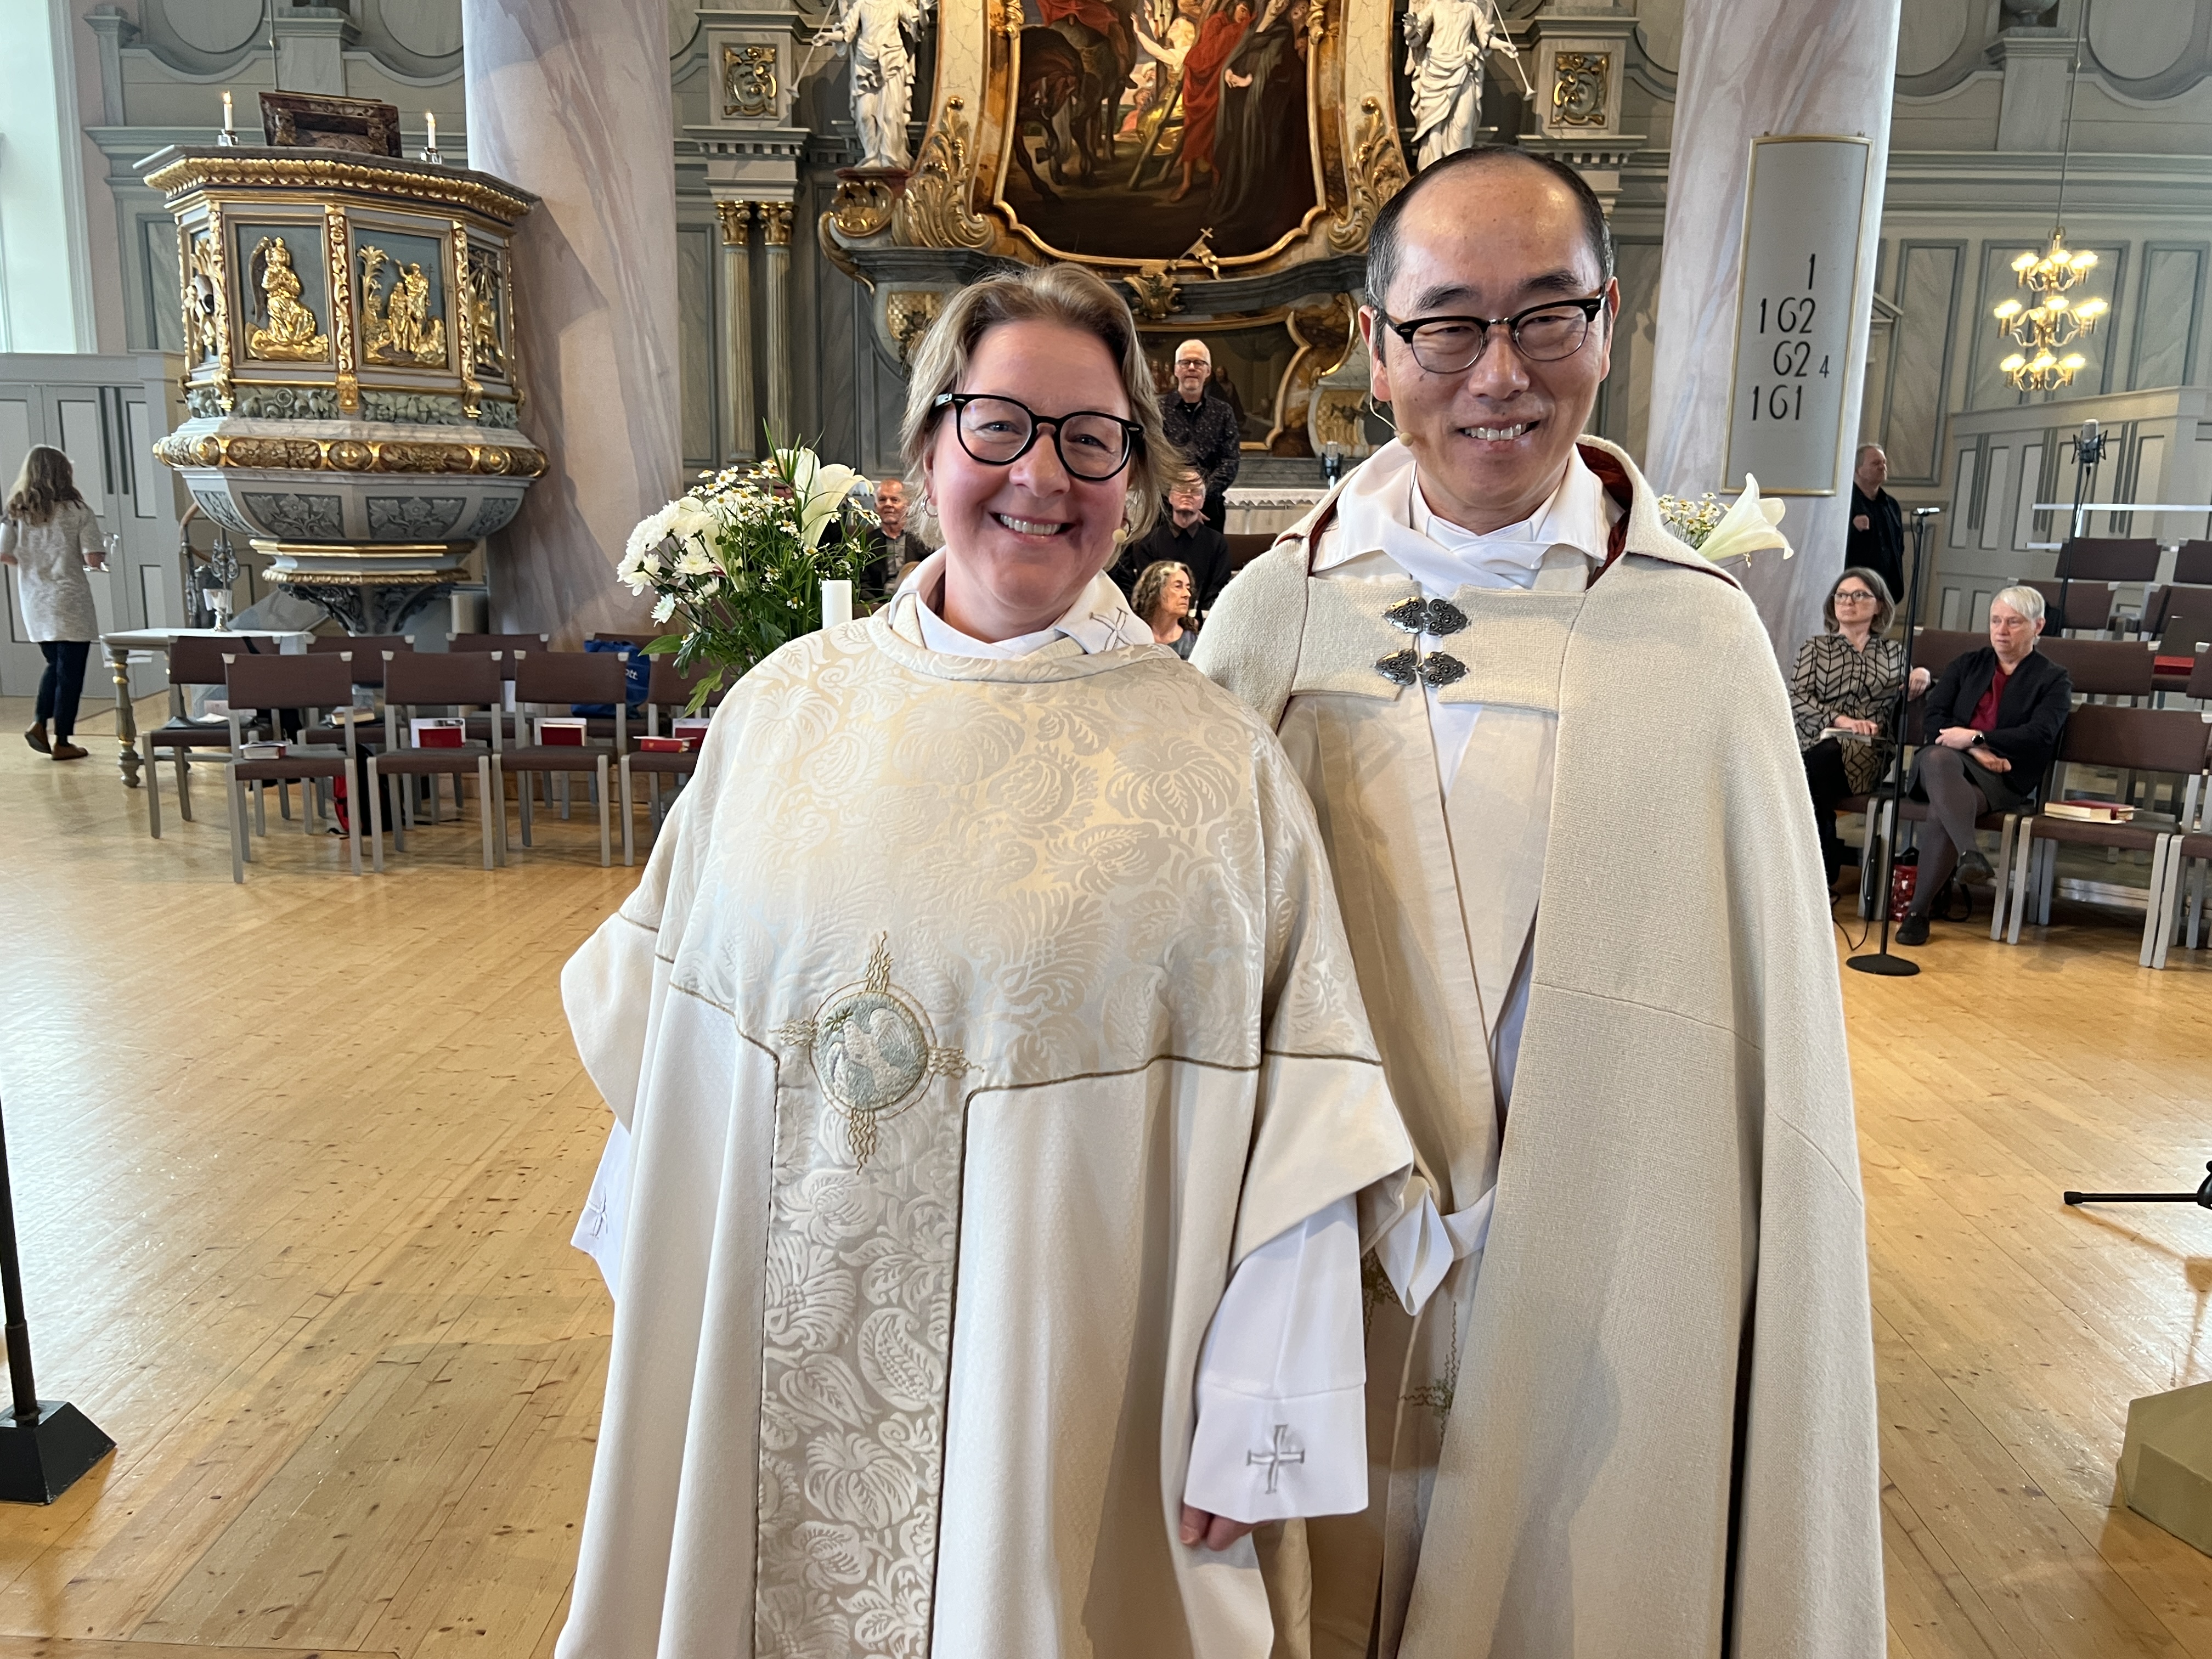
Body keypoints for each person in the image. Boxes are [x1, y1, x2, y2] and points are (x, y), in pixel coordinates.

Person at [555, 263, 1431, 1658]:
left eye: (1091, 440)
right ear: (926, 451)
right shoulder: (784, 714)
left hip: (1064, 1395)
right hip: (769, 1359)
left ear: (1134, 483)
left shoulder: (1215, 773)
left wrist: (1261, 1410)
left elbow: (1306, 1118)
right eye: (1000, 425)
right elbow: (673, 1044)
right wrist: (663, 1295)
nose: (1042, 476)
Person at [1193, 144, 1884, 1656]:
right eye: (1448, 325)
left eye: (1545, 316)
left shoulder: (1696, 642)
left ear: (1608, 324)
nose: (1498, 374)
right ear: (1375, 347)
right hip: (1325, 1263)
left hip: (1608, 1258)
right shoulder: (1271, 625)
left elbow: (1765, 1053)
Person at [1895, 584, 2071, 946]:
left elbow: (2040, 734)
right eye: (1995, 621)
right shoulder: (1967, 664)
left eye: (2013, 622)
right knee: (1940, 758)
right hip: (1944, 763)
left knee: (1943, 812)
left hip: (2002, 775)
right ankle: (1969, 852)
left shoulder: (2053, 678)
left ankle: (1918, 913)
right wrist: (1975, 749)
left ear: (2038, 626)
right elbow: (1935, 718)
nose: (2001, 630)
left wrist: (1976, 737)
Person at [1792, 567, 1929, 889]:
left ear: (1879, 605)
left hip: (1867, 752)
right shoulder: (1815, 648)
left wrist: (1921, 673)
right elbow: (1796, 697)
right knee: (1818, 758)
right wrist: (1840, 720)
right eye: (1841, 595)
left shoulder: (1893, 653)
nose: (1847, 602)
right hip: (1814, 741)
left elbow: (1910, 685)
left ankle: (1816, 869)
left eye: (1859, 595)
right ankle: (1822, 856)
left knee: (1811, 769)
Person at [2, 445, 108, 762]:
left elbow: (4, 552)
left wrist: (28, 562)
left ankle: (40, 724)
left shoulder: (16, 511)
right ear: (65, 473)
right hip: (70, 597)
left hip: (35, 599)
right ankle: (61, 740)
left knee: (56, 665)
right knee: (70, 672)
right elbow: (93, 557)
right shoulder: (78, 510)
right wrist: (97, 556)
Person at [1211, 0, 1310, 252]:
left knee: (1256, 154)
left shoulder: (1283, 32)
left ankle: (1249, 211)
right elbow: (1238, 55)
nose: (1279, 5)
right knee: (1237, 152)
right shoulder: (1253, 26)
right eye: (1276, 0)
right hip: (1242, 102)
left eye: (1284, 2)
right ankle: (1232, 203)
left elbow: (1276, 66)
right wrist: (1228, 72)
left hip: (1265, 107)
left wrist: (1251, 81)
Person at [1114, 470, 1233, 613]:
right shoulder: (1148, 543)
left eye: (1195, 491)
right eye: (1182, 489)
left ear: (1203, 501)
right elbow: (1149, 589)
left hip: (1204, 617)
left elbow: (1217, 587)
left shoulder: (1217, 542)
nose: (1188, 494)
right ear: (1170, 497)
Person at [1160, 337, 1240, 530]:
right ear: (1176, 370)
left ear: (1208, 371)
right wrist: (1179, 498)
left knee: (1209, 551)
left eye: (1199, 363)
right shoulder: (1157, 410)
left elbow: (1230, 461)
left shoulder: (1223, 412)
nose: (1192, 368)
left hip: (1210, 508)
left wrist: (1200, 496)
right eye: (1185, 362)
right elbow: (1151, 458)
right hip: (1164, 509)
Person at [1173, 0, 1251, 202]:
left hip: (1217, 86)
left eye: (1248, 14)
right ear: (1234, 6)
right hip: (1199, 84)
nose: (1244, 17)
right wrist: (1241, 28)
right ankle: (1186, 182)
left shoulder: (1237, 25)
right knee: (1193, 131)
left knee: (1219, 131)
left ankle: (1218, 182)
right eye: (1243, 10)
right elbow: (1209, 54)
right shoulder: (1216, 21)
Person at [1847, 443, 1905, 607]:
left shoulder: (1891, 505)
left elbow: (1898, 546)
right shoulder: (1846, 503)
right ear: (1858, 470)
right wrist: (1853, 528)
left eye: (1884, 462)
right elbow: (1831, 545)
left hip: (1886, 591)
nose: (1882, 467)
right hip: (1854, 592)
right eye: (1875, 463)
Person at [858, 475, 928, 599]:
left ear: (907, 506)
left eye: (895, 500)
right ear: (876, 507)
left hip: (915, 601)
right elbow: (863, 585)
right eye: (882, 500)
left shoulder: (923, 540)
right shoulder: (866, 543)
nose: (888, 504)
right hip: (878, 603)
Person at [1131, 558, 1199, 657]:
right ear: (1155, 591)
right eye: (1178, 586)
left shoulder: (1193, 645)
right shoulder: (1131, 636)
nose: (1187, 594)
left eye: (1188, 588)